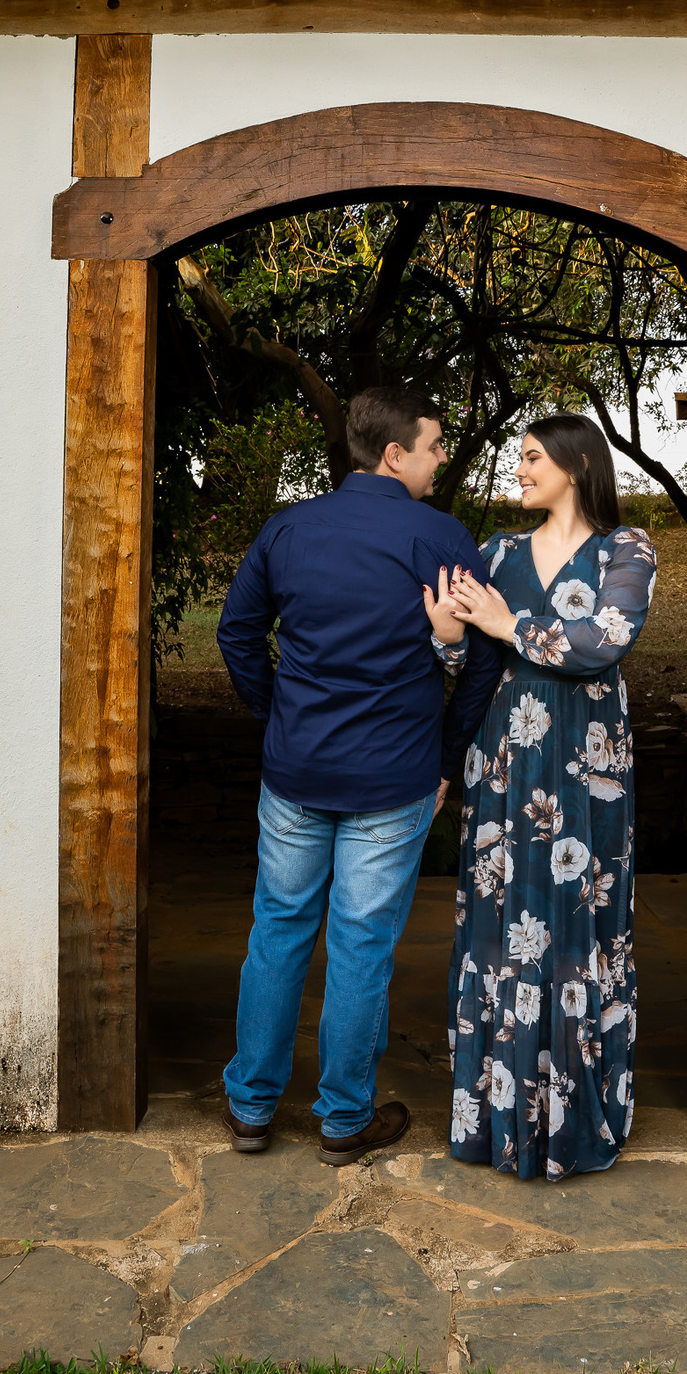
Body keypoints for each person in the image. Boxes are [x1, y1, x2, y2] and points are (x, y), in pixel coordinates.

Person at [216, 385, 501, 1165]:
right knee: (360, 947)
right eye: (435, 446)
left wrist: (276, 717)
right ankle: (343, 1121)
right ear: (394, 453)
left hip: (297, 768)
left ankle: (251, 1109)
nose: (442, 460)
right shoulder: (443, 538)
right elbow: (480, 662)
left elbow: (236, 633)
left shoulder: (289, 529)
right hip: (394, 774)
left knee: (277, 932)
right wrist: (448, 755)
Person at [439, 413, 657, 1181]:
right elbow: (460, 656)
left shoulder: (627, 550)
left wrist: (507, 623)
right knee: (503, 916)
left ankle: (575, 1116)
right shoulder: (496, 550)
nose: (521, 470)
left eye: (532, 457)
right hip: (506, 762)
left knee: (579, 915)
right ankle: (498, 1118)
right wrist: (449, 634)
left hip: (589, 761)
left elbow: (605, 640)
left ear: (574, 463)